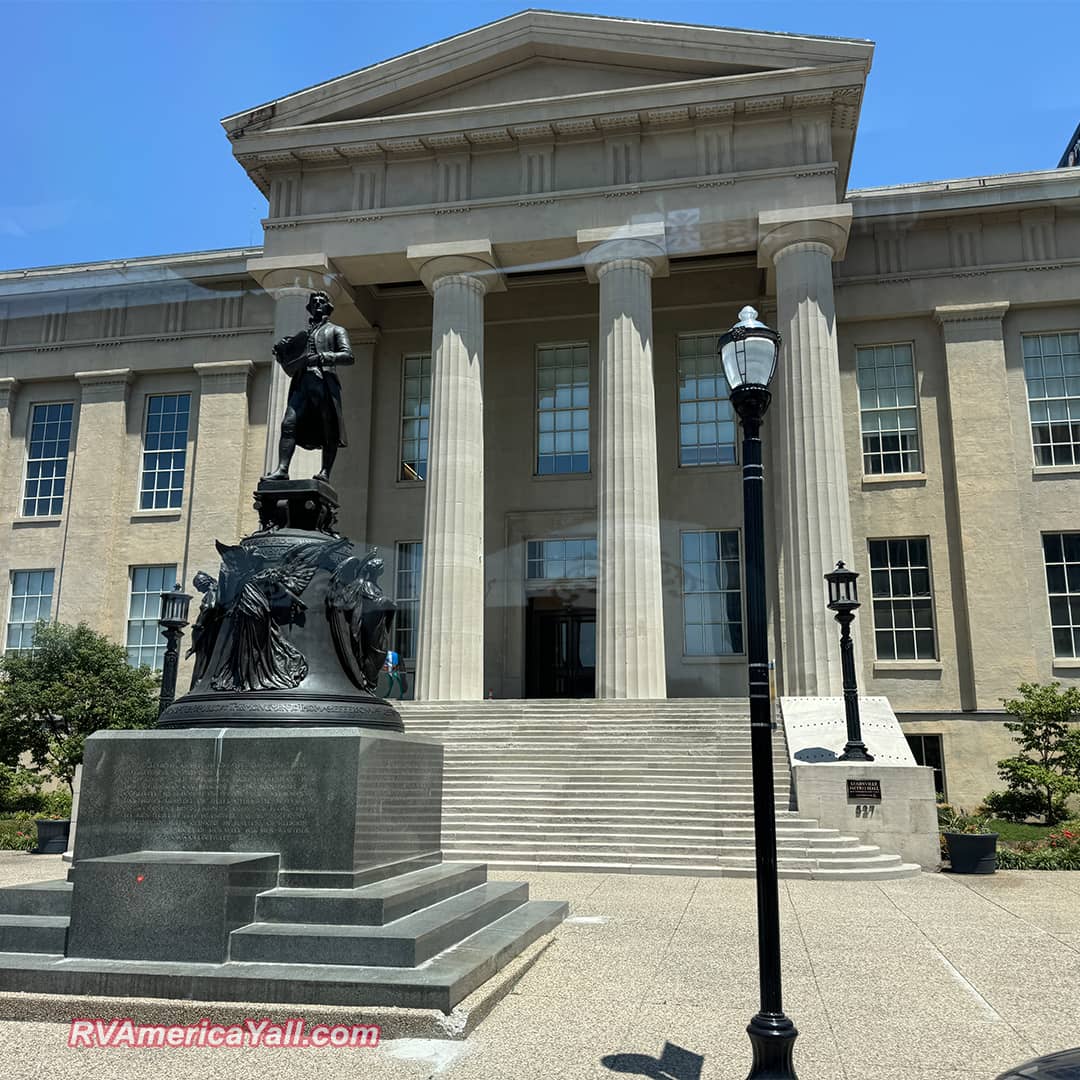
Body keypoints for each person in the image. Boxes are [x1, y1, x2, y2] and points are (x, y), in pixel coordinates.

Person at [264, 290, 354, 482]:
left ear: (328, 307)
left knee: (329, 428)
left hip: (324, 382)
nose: (318, 304)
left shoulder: (336, 330)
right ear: (310, 308)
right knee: (288, 423)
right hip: (302, 382)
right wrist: (283, 352)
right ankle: (282, 469)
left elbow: (348, 356)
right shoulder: (303, 334)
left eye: (322, 301)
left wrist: (323, 357)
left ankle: (325, 472)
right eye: (314, 302)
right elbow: (292, 360)